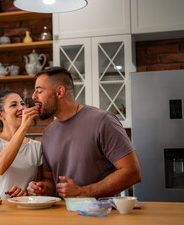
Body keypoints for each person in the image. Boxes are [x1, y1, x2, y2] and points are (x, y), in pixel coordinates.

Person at [27, 67, 142, 198]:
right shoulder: (48, 132)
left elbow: (133, 172)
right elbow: (50, 181)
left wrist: (83, 192)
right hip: (62, 216)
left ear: (60, 92)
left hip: (103, 215)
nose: (34, 96)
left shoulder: (102, 121)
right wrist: (43, 189)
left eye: (39, 91)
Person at [0, 90, 42, 198]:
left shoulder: (36, 147)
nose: (21, 108)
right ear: (0, 115)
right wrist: (24, 127)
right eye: (14, 105)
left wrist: (27, 193)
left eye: (22, 104)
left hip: (23, 210)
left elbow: (37, 188)